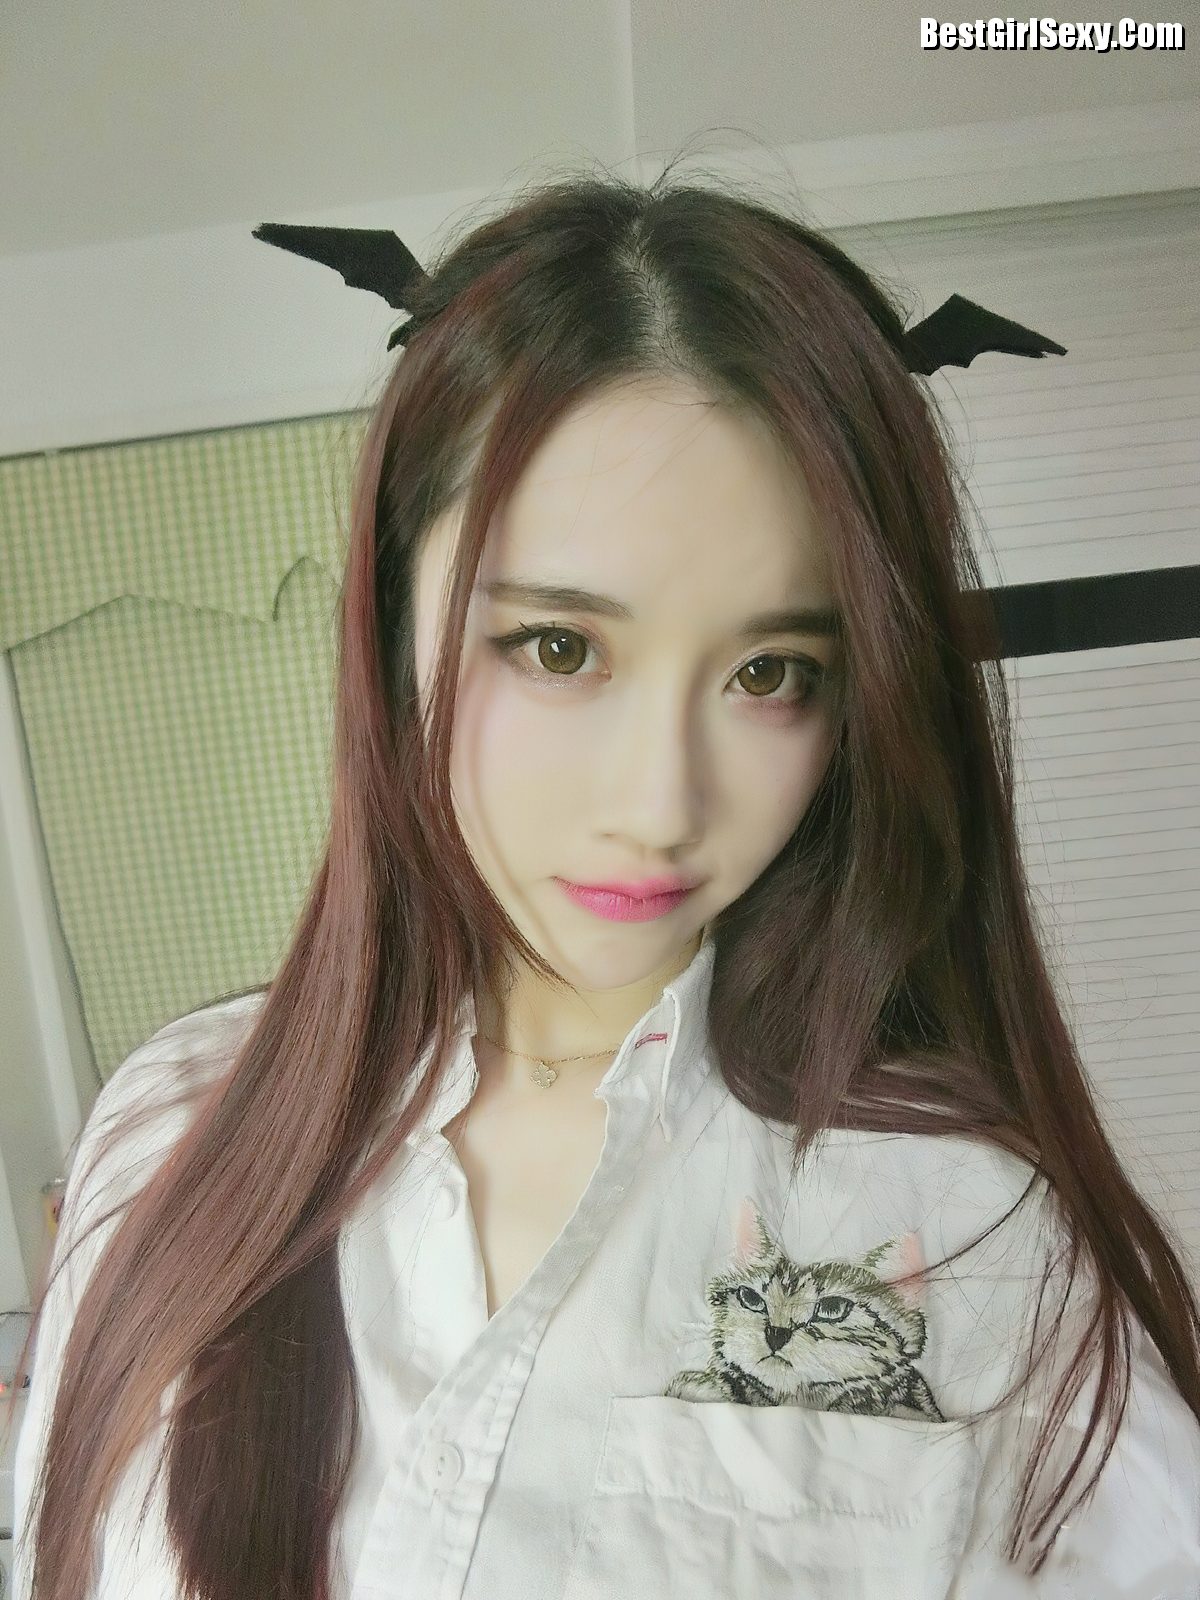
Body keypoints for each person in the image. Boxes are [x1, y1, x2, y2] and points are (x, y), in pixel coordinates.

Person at [7, 164, 1200, 1600]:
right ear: (391, 621)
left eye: (772, 673)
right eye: (560, 649)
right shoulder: (173, 1131)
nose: (659, 808)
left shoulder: (972, 1228)